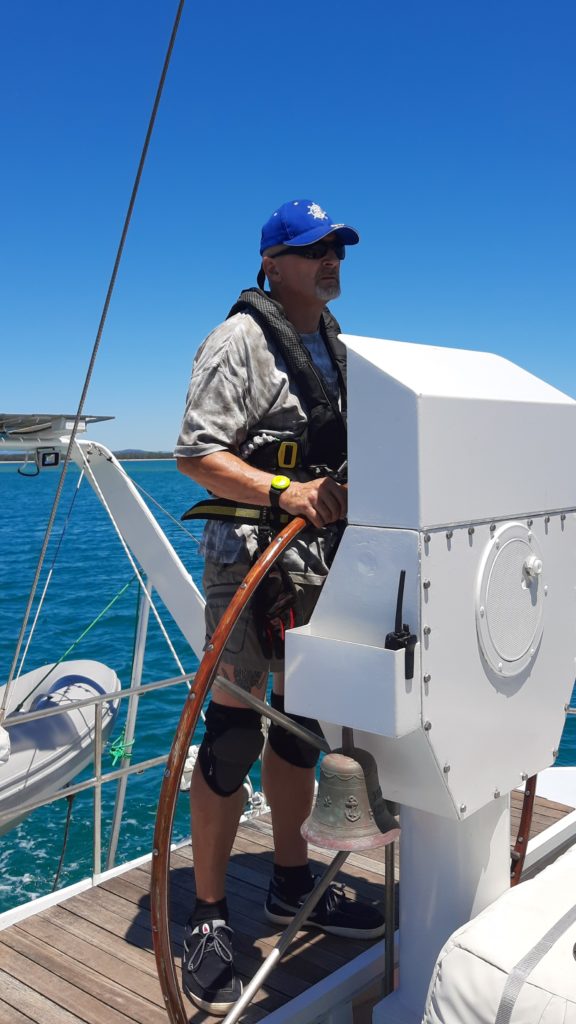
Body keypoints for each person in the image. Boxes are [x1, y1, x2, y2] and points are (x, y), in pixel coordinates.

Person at [175, 199, 386, 1015]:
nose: (330, 260)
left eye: (337, 248)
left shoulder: (337, 344)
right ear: (272, 262)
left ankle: (291, 882)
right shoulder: (239, 342)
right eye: (312, 249)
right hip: (249, 562)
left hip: (318, 565)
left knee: (299, 732)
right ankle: (208, 917)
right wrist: (283, 489)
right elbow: (198, 452)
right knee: (234, 734)